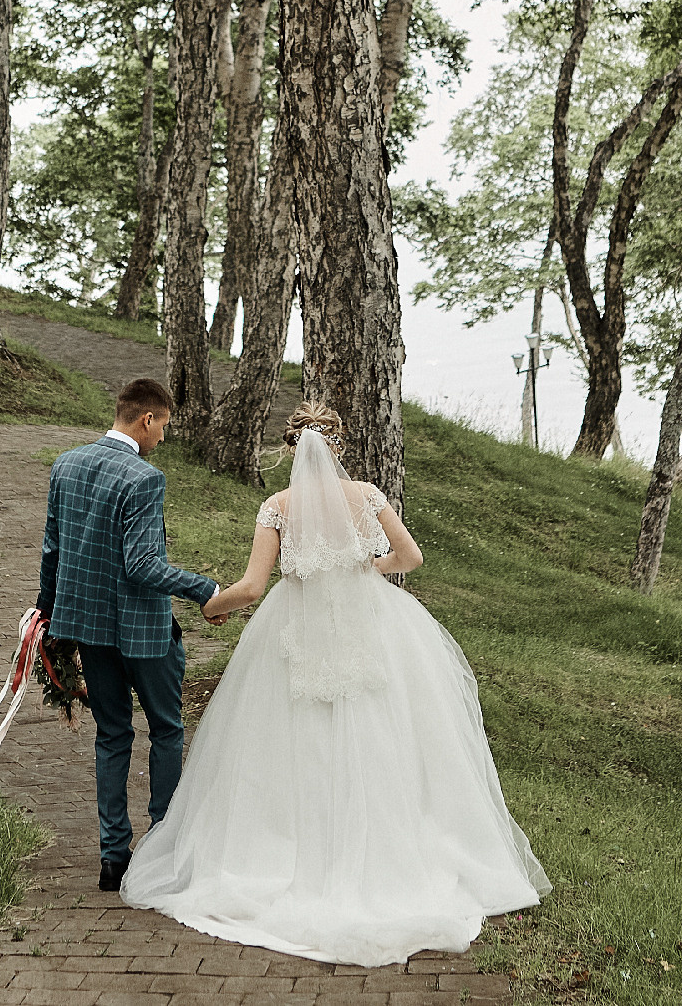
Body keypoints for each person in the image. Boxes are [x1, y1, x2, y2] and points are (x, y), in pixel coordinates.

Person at [120, 403, 549, 966]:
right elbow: (410, 558)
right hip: (370, 622)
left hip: (296, 627)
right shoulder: (368, 494)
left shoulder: (276, 507)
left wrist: (212, 607)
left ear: (291, 448)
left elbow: (251, 586)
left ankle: (292, 849)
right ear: (337, 447)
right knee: (384, 733)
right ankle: (389, 853)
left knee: (290, 739)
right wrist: (359, 573)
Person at [35, 377, 226, 893]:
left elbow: (52, 550)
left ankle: (112, 858)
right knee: (166, 729)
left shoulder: (67, 464)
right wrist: (204, 588)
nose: (163, 438)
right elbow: (143, 566)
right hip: (143, 631)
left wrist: (45, 618)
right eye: (164, 427)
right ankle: (162, 850)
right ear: (147, 420)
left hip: (87, 629)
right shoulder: (144, 478)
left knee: (112, 734)